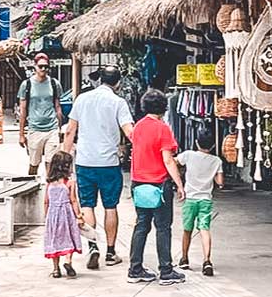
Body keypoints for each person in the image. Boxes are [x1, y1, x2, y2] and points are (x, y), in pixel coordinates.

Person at [61, 68, 133, 270]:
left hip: (85, 162)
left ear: (100, 80)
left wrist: (66, 163)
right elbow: (130, 132)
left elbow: (70, 131)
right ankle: (110, 253)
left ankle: (93, 246)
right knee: (110, 207)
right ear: (117, 83)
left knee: (87, 206)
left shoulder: (82, 99)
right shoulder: (118, 102)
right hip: (109, 164)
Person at [126, 88, 186, 286]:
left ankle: (135, 269)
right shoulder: (163, 128)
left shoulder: (138, 127)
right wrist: (179, 184)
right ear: (164, 107)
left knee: (141, 225)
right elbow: (168, 160)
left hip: (138, 183)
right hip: (158, 184)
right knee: (162, 227)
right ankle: (166, 271)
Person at [176, 128, 224, 276]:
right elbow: (220, 182)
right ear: (213, 146)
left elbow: (173, 162)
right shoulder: (217, 161)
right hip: (205, 200)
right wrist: (213, 175)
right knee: (204, 230)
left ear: (196, 142)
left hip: (190, 199)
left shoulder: (188, 155)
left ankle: (184, 259)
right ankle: (207, 261)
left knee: (187, 230)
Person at [17, 53, 64, 178]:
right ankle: (30, 188)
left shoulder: (54, 84)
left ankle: (49, 192)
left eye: (46, 67)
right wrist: (21, 134)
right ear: (35, 66)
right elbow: (23, 110)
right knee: (34, 164)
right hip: (35, 129)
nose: (43, 69)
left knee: (51, 165)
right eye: (41, 66)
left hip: (52, 128)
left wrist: (59, 129)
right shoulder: (26, 85)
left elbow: (57, 106)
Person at [41, 151, 83, 279]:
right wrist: (79, 216)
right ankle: (68, 261)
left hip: (53, 215)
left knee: (55, 240)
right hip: (67, 214)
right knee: (68, 237)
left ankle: (55, 269)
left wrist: (46, 216)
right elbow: (73, 200)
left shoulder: (49, 183)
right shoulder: (69, 182)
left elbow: (46, 201)